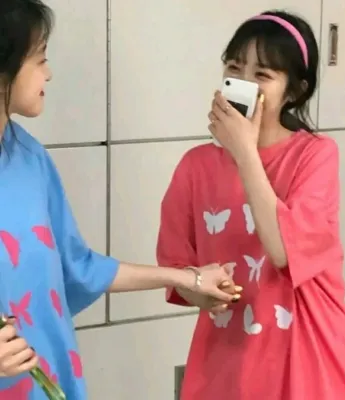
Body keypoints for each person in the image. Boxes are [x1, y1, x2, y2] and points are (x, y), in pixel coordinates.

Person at [0, 1, 238, 398]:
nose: (49, 73)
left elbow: (78, 267)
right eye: (40, 59)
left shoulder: (29, 158)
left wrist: (188, 278)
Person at [157, 9, 345, 400]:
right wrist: (201, 293)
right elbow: (178, 272)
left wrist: (244, 152)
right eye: (234, 68)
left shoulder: (316, 155)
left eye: (262, 74)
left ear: (294, 91)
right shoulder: (195, 166)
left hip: (308, 355)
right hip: (227, 363)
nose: (243, 83)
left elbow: (283, 251)